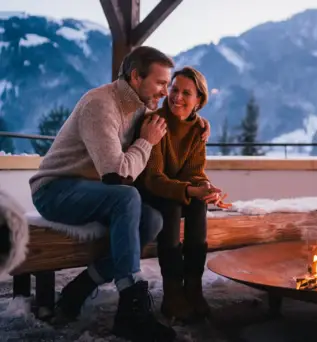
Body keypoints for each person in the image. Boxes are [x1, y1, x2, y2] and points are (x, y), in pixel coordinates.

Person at [28, 46, 208, 341]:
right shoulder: (101, 104)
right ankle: (131, 308)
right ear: (137, 77)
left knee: (152, 221)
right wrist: (146, 142)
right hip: (55, 189)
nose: (165, 92)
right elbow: (117, 177)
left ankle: (82, 286)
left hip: (95, 191)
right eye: (161, 83)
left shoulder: (141, 104)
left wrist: (198, 123)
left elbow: (174, 116)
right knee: (128, 197)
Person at [135, 66, 230, 323]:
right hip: (150, 193)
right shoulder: (154, 122)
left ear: (198, 100)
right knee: (173, 206)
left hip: (176, 191)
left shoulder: (199, 129)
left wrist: (205, 188)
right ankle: (172, 290)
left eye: (186, 93)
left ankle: (193, 286)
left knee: (198, 205)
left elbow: (194, 172)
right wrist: (189, 189)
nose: (177, 97)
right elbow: (153, 178)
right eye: (174, 90)